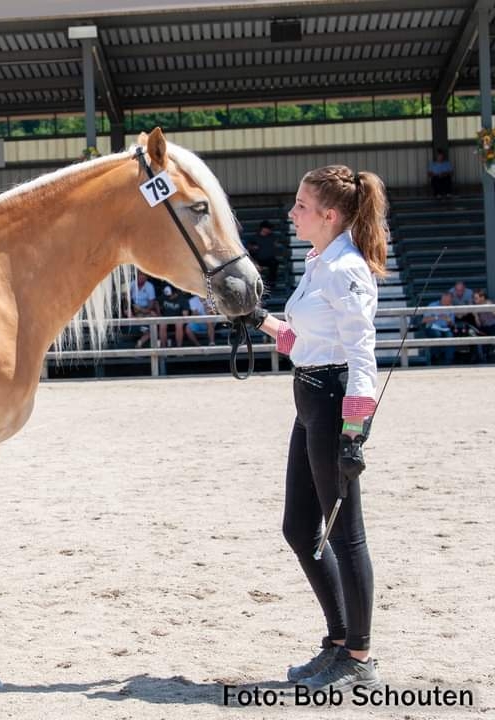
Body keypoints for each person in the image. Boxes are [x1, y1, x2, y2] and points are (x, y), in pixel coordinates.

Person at [237, 165, 386, 693]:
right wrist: (255, 317)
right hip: (309, 397)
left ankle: (359, 657)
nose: (291, 213)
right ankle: (340, 639)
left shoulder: (345, 269)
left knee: (346, 535)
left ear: (330, 215)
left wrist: (354, 430)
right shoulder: (319, 261)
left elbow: (361, 353)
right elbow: (304, 341)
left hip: (332, 402)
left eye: (301, 205)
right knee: (300, 529)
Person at [422, 293, 457, 365]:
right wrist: (437, 317)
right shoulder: (432, 305)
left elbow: (452, 324)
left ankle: (449, 360)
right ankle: (436, 358)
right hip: (432, 327)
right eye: (447, 301)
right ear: (443, 298)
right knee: (437, 334)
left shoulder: (451, 307)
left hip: (445, 328)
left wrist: (449, 321)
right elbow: (424, 320)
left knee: (450, 336)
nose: (448, 303)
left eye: (449, 301)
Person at [246, 220, 283, 288]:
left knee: (274, 263)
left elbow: (278, 243)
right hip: (257, 259)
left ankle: (271, 284)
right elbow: (248, 247)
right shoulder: (254, 237)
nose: (270, 230)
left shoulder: (272, 237)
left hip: (269, 259)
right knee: (253, 265)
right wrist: (253, 247)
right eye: (269, 229)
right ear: (263, 229)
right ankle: (255, 284)